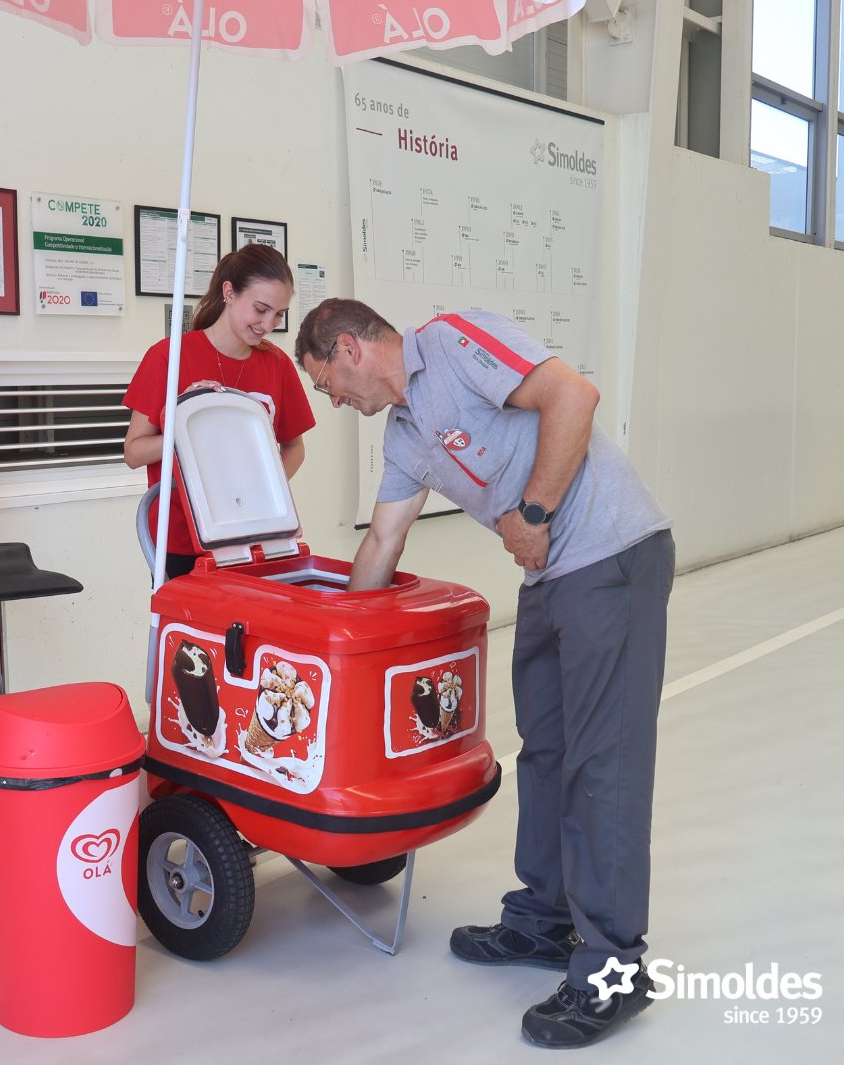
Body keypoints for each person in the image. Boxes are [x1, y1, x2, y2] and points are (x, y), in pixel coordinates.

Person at [295, 300, 674, 1050]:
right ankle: (545, 919)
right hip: (548, 577)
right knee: (546, 753)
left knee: (603, 765)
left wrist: (532, 512)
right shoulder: (404, 435)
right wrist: (337, 644)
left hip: (612, 555)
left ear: (348, 349)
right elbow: (382, 541)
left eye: (325, 382)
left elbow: (574, 395)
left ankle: (614, 970)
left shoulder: (450, 343)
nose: (332, 401)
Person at [124, 245, 315, 580]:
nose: (268, 324)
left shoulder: (277, 365)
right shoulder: (169, 357)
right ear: (229, 293)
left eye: (279, 314)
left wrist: (263, 492)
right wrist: (189, 423)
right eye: (261, 309)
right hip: (181, 539)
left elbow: (294, 448)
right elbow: (134, 453)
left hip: (254, 537)